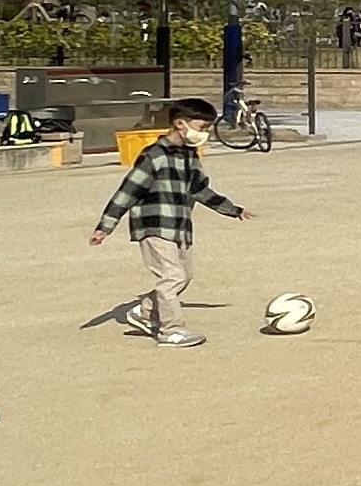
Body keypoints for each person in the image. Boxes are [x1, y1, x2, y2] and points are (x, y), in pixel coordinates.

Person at [89, 98, 250, 346]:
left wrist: (232, 209)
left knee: (185, 275)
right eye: (202, 127)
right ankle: (170, 330)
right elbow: (128, 191)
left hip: (179, 226)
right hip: (153, 225)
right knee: (172, 276)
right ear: (180, 123)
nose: (204, 133)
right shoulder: (154, 156)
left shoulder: (190, 155)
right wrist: (105, 226)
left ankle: (143, 313)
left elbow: (200, 189)